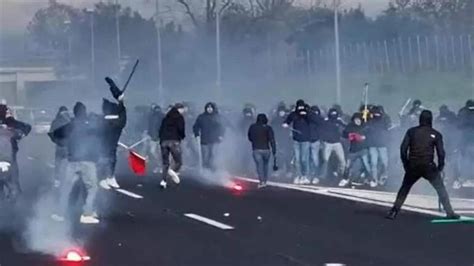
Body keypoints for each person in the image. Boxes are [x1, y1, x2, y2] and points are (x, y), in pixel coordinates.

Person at [386, 110, 460, 220]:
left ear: (420, 119)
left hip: (413, 165)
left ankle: (394, 212)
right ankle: (449, 212)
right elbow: (441, 153)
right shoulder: (436, 134)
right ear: (431, 120)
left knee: (404, 188)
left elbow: (403, 149)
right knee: (440, 189)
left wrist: (406, 164)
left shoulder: (411, 132)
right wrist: (440, 167)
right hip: (428, 166)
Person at [52, 102, 101, 224]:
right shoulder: (89, 125)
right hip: (87, 161)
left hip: (72, 160)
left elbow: (55, 134)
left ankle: (60, 214)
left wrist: (64, 143)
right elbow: (100, 135)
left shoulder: (70, 125)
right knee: (92, 187)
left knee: (66, 188)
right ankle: (87, 213)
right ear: (84, 112)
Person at [0, 104, 31, 197]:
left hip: (9, 156)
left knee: (14, 180)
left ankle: (16, 194)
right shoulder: (10, 122)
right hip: (9, 156)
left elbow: (26, 127)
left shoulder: (10, 122)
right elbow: (26, 127)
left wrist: (20, 134)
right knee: (14, 179)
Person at [283, 100, 312, 185]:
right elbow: (287, 121)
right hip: (296, 140)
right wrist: (285, 124)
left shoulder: (308, 114)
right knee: (297, 160)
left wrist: (307, 114)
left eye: (302, 107)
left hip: (305, 140)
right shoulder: (294, 114)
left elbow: (315, 120)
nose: (300, 109)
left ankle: (305, 176)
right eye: (299, 107)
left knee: (304, 159)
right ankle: (297, 176)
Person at [159, 103, 186, 189]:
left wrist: (161, 140)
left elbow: (160, 130)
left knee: (165, 162)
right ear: (179, 109)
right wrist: (182, 137)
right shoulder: (179, 118)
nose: (184, 111)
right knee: (178, 161)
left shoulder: (166, 118)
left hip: (164, 141)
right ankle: (172, 171)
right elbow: (181, 129)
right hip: (174, 141)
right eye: (183, 109)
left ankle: (163, 181)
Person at [339, 113, 370, 187]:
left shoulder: (364, 126)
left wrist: (364, 137)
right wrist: (349, 135)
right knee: (348, 165)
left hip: (363, 149)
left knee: (366, 165)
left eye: (359, 119)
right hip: (353, 150)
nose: (357, 121)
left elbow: (369, 135)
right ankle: (345, 179)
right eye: (356, 120)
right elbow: (344, 134)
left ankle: (370, 179)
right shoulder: (350, 126)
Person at [193, 102, 225, 171]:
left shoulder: (217, 117)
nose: (209, 109)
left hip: (214, 140)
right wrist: (196, 134)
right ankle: (205, 169)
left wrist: (221, 135)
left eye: (211, 108)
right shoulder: (201, 117)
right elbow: (196, 126)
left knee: (213, 155)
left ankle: (212, 168)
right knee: (205, 155)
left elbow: (222, 127)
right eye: (208, 108)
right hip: (204, 140)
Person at [248, 114, 276, 188]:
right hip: (266, 149)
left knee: (259, 166)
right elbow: (272, 140)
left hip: (256, 149)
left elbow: (250, 137)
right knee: (265, 165)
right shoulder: (268, 128)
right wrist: (274, 150)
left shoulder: (252, 127)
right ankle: (265, 180)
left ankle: (262, 181)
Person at [365, 106, 391, 187]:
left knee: (384, 163)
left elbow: (388, 124)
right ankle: (374, 179)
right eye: (375, 113)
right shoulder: (369, 122)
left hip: (382, 145)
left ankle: (383, 177)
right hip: (372, 145)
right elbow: (365, 128)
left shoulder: (384, 121)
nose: (376, 114)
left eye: (378, 113)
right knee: (373, 163)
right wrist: (365, 116)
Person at [319, 108, 346, 183]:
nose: (333, 115)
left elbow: (346, 128)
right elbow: (321, 130)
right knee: (325, 160)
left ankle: (342, 175)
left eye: (335, 113)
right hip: (327, 143)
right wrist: (323, 140)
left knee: (342, 161)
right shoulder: (326, 121)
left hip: (337, 143)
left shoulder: (339, 121)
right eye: (332, 113)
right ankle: (322, 176)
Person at [48, 106, 71, 189]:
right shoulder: (69, 121)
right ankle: (64, 180)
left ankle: (57, 180)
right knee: (68, 163)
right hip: (66, 147)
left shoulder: (56, 121)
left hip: (61, 146)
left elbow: (51, 134)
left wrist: (56, 141)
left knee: (58, 163)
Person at [270, 103, 292, 178]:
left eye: (282, 111)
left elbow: (291, 130)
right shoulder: (274, 120)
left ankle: (288, 171)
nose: (281, 113)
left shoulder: (288, 120)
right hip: (277, 139)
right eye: (280, 111)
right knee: (277, 156)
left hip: (286, 140)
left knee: (287, 156)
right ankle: (279, 170)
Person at [456, 100, 474, 189]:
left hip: (466, 140)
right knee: (465, 158)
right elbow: (458, 125)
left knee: (466, 158)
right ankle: (465, 177)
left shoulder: (462, 111)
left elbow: (458, 125)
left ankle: (465, 177)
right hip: (466, 140)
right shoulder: (463, 112)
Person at [308, 105, 324, 184]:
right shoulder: (308, 120)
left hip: (316, 141)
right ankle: (309, 175)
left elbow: (321, 132)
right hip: (307, 141)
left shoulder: (319, 120)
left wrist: (321, 141)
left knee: (315, 159)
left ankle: (316, 176)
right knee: (308, 159)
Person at [147, 104, 164, 173]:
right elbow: (150, 127)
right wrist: (149, 134)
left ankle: (162, 166)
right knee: (153, 151)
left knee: (159, 152)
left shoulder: (162, 116)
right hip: (153, 137)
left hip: (160, 138)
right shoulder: (151, 117)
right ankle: (159, 165)